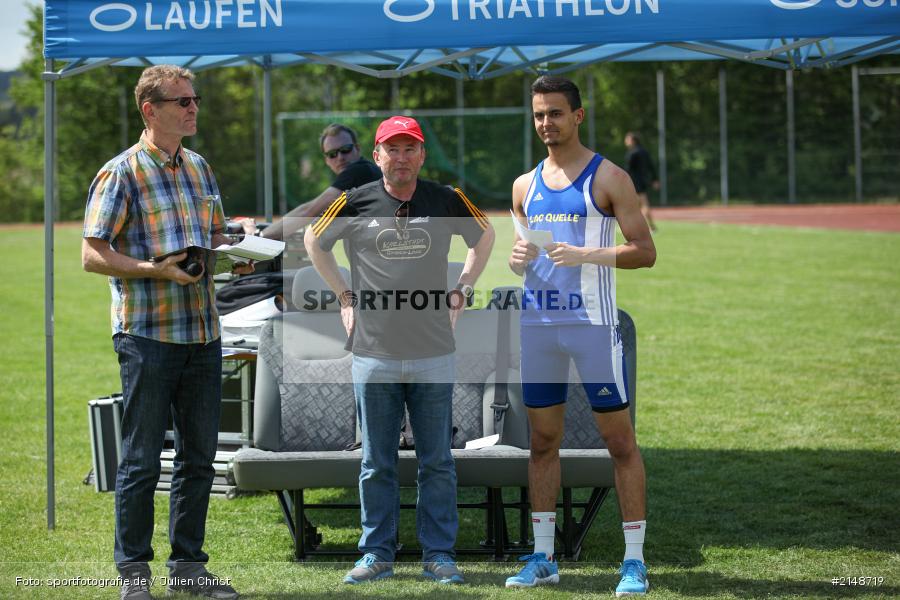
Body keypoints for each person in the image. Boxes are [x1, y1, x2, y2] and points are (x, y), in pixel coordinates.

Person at [304, 116, 495, 585]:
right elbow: (313, 240)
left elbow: (485, 234)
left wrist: (463, 288)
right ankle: (376, 554)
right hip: (374, 354)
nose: (402, 158)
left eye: (410, 148)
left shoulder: (446, 198)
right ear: (377, 155)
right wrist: (344, 297)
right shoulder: (355, 200)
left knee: (438, 463)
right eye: (392, 149)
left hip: (434, 351)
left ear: (422, 155)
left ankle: (439, 555)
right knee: (376, 463)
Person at [81, 65, 242, 600]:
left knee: (198, 459)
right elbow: (92, 254)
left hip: (203, 332)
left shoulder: (199, 167)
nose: (193, 108)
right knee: (141, 460)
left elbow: (214, 238)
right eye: (182, 101)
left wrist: (236, 252)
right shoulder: (120, 173)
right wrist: (156, 270)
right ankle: (134, 574)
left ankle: (188, 569)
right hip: (147, 336)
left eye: (195, 100)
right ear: (150, 110)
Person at [506, 76, 656, 596]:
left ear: (578, 116)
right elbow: (522, 257)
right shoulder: (524, 186)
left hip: (593, 329)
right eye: (538, 114)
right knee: (542, 442)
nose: (546, 123)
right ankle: (543, 557)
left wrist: (586, 254)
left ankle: (633, 561)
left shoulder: (609, 177)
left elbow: (645, 251)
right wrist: (517, 258)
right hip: (538, 329)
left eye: (555, 113)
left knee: (619, 442)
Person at [260, 123, 381, 240]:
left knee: (313, 239)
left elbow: (308, 211)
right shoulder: (367, 172)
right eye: (332, 154)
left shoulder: (359, 171)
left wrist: (260, 235)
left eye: (345, 149)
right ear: (326, 160)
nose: (340, 157)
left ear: (357, 149)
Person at [624, 131, 659, 232]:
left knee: (641, 205)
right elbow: (651, 166)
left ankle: (650, 227)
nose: (625, 141)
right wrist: (655, 179)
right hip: (643, 181)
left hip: (634, 182)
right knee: (639, 204)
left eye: (627, 139)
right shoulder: (644, 151)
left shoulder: (632, 153)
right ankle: (648, 226)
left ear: (633, 141)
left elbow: (628, 170)